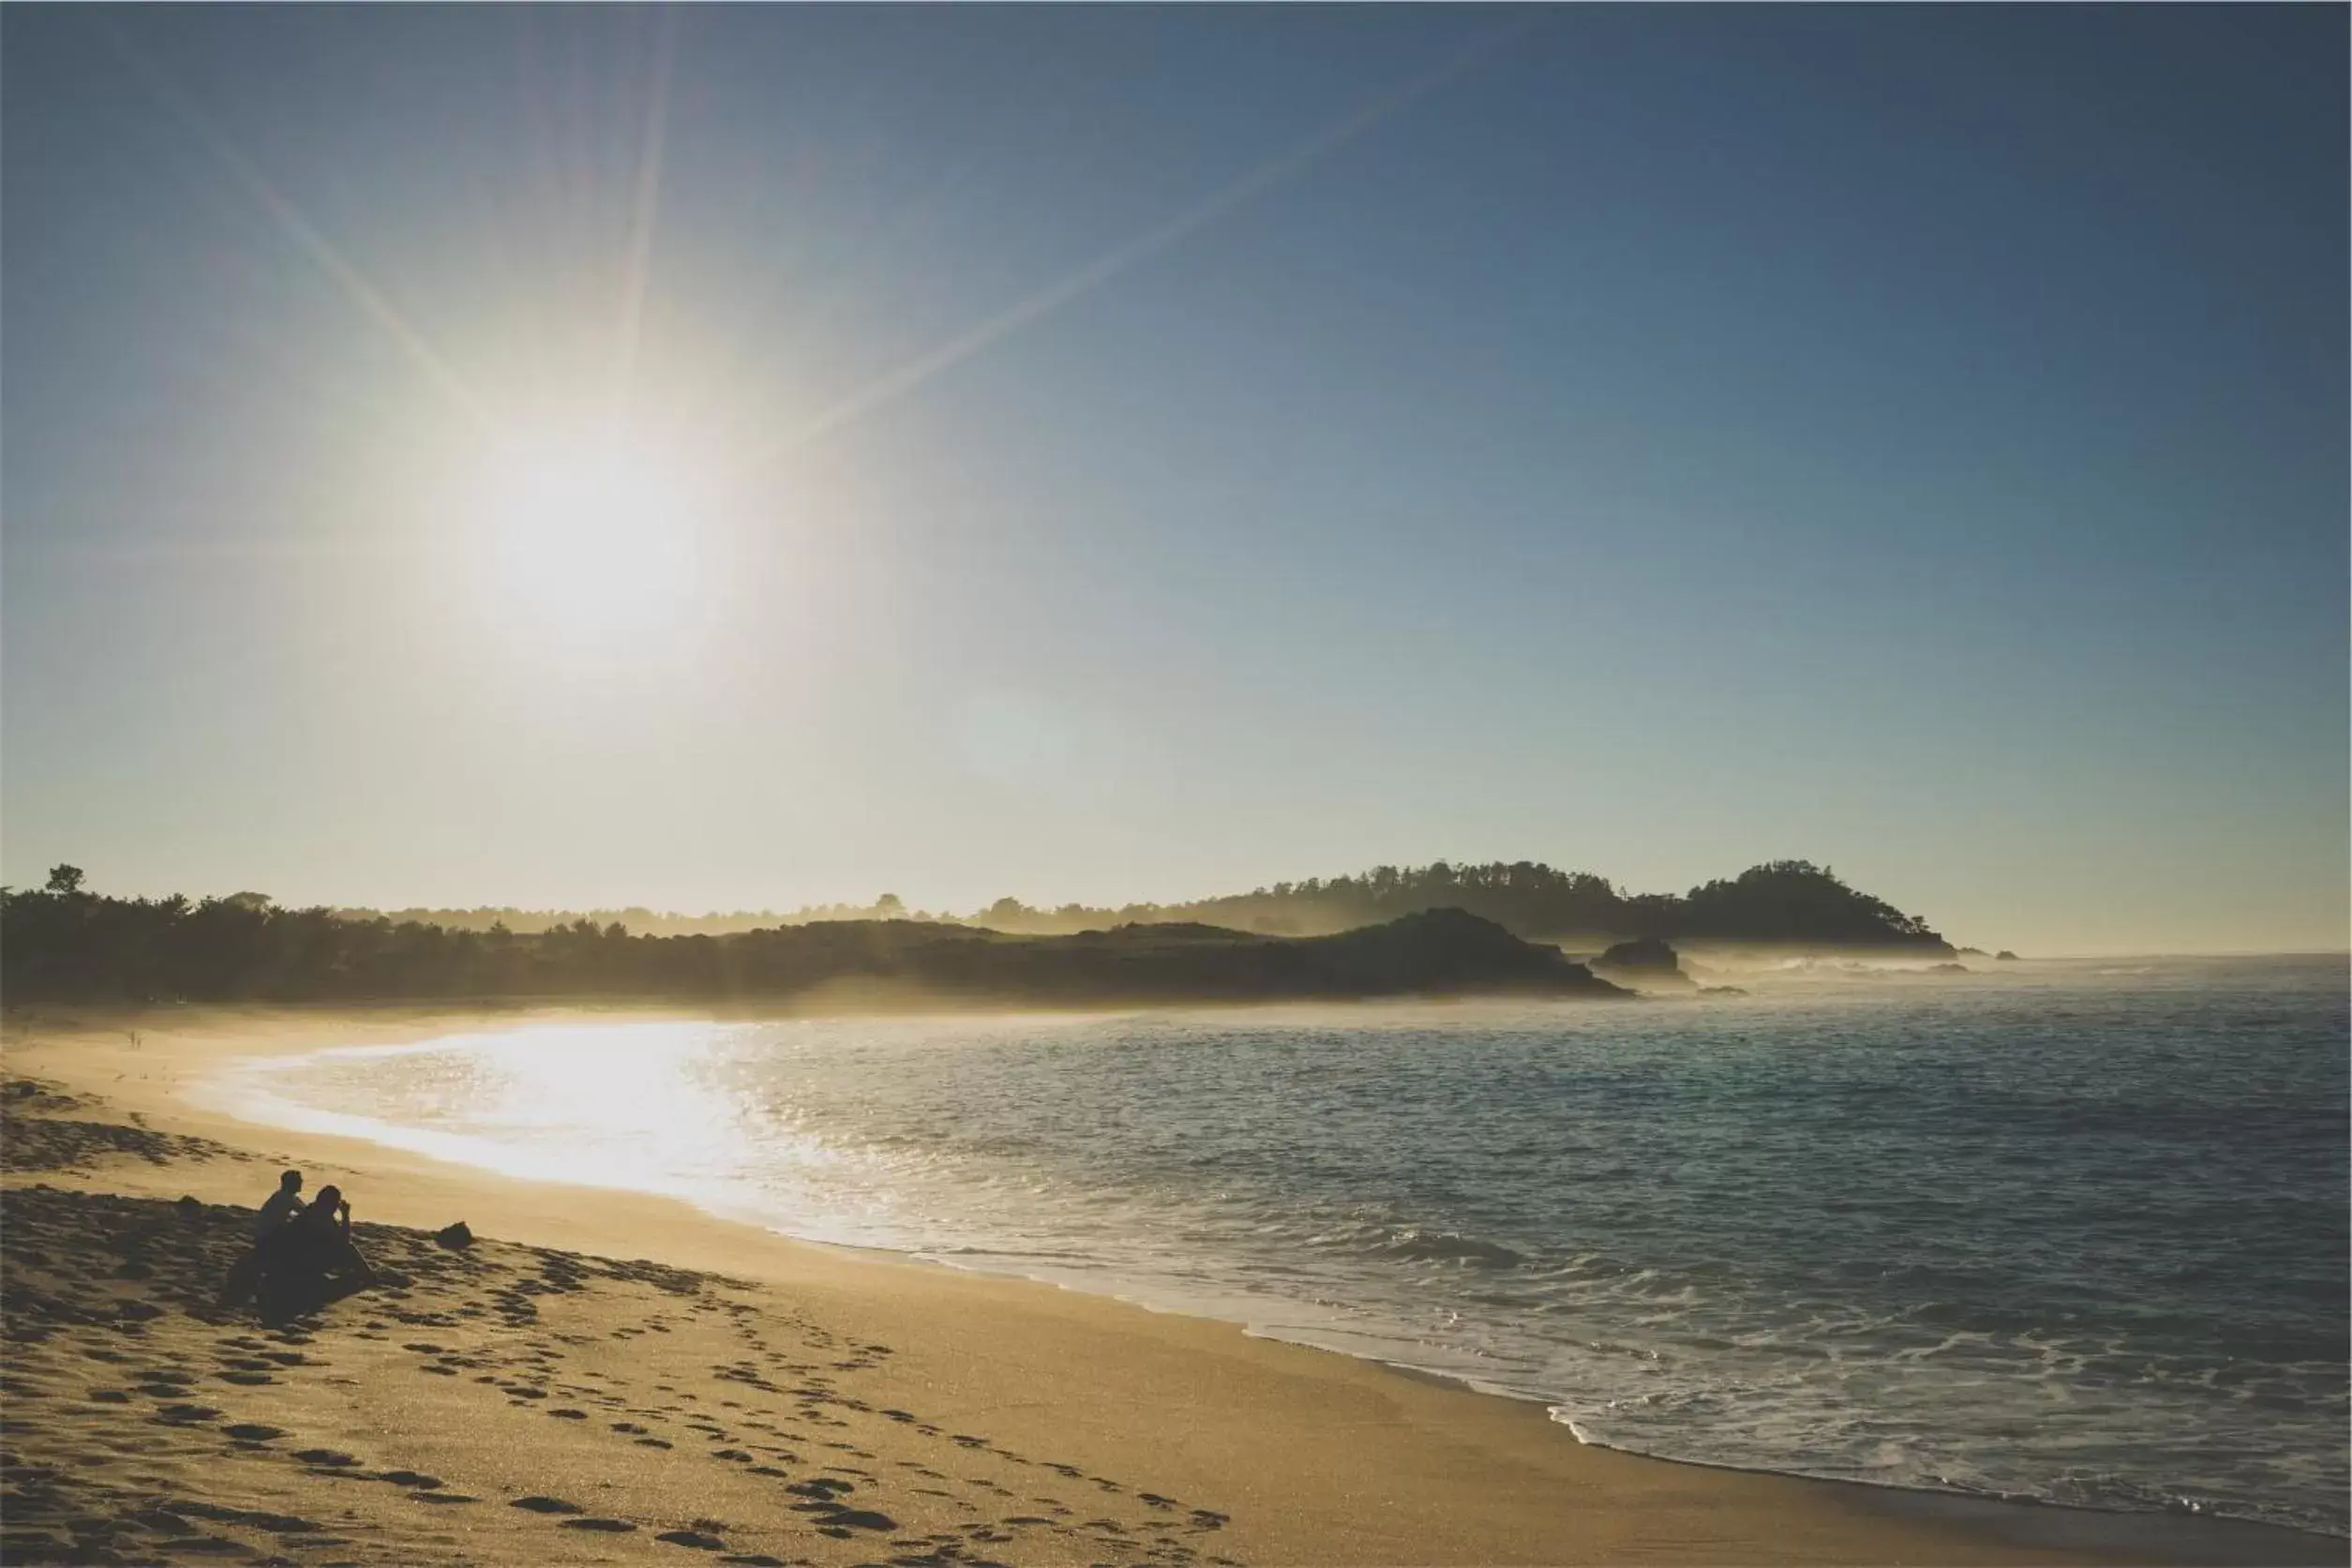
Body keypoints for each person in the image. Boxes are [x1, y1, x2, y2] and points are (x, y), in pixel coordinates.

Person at [253, 1171, 306, 1241]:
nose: (302, 1182)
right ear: (291, 1183)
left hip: (266, 1233)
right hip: (268, 1236)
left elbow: (303, 1209)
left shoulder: (283, 1195)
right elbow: (305, 1212)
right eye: (299, 1180)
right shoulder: (286, 1198)